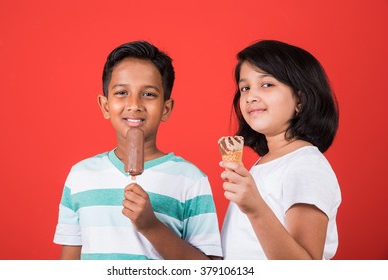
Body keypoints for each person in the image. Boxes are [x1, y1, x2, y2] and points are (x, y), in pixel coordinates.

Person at [53, 40, 222, 260]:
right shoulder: (80, 176)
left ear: (166, 108)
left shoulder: (190, 179)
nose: (134, 104)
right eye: (122, 92)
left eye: (149, 94)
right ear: (105, 106)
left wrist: (151, 226)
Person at [220, 40, 341, 260]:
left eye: (266, 84)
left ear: (300, 100)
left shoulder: (305, 165)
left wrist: (255, 208)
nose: (250, 96)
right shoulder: (264, 164)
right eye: (244, 87)